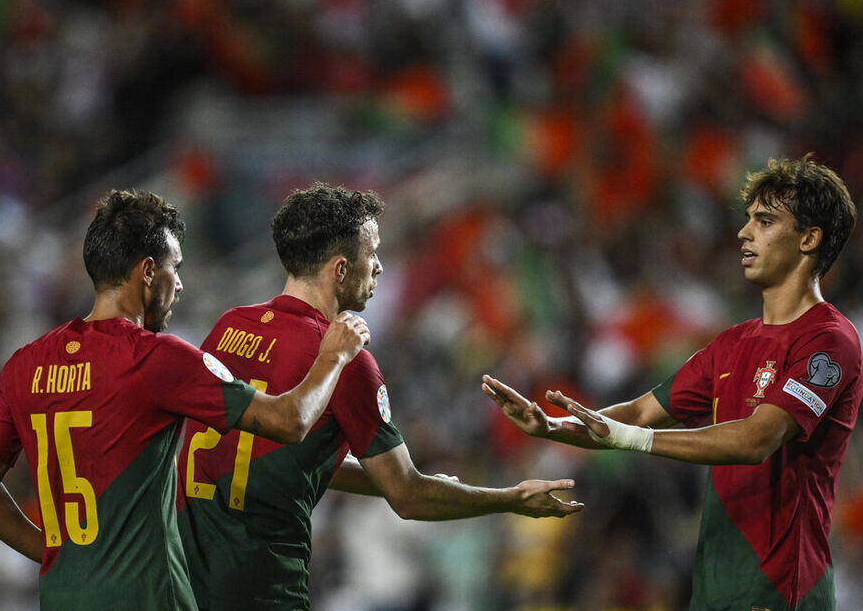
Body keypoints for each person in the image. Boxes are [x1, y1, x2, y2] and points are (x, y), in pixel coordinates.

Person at [0, 189, 372, 611]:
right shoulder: (156, 358)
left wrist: (55, 552)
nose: (180, 284)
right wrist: (333, 356)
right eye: (177, 268)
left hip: (62, 597)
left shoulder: (24, 365)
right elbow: (290, 421)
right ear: (149, 272)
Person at [176, 182, 583, 611]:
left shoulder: (228, 328)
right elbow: (409, 496)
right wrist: (511, 498)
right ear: (340, 269)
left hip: (184, 583)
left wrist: (397, 481)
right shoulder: (345, 359)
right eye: (372, 254)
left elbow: (288, 458)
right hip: (261, 589)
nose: (380, 268)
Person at [484, 155, 862, 611]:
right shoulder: (731, 344)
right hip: (712, 591)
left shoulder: (829, 340)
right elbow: (640, 412)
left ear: (809, 238)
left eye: (764, 221)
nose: (744, 233)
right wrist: (551, 426)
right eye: (747, 220)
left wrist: (635, 440)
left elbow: (757, 439)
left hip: (781, 591)